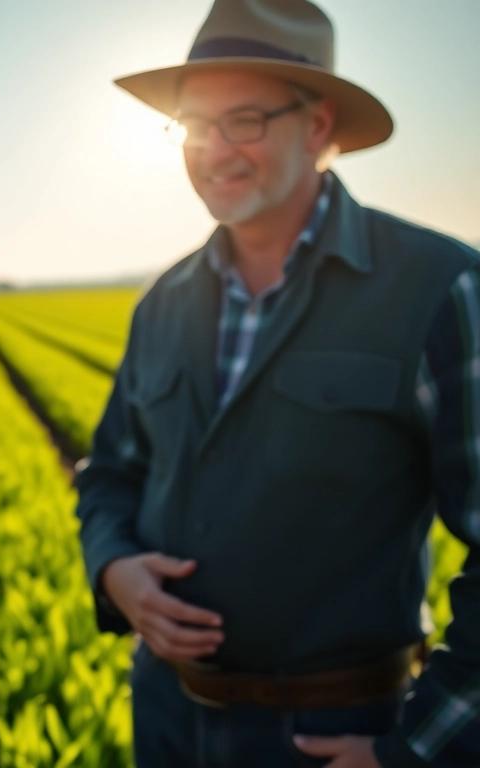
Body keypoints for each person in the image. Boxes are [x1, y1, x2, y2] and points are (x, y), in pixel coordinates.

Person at [77, 0, 480, 766]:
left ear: (320, 125)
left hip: (335, 738)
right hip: (164, 720)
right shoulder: (162, 302)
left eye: (245, 120)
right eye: (193, 125)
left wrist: (417, 753)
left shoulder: (441, 287)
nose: (212, 149)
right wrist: (114, 569)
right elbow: (111, 474)